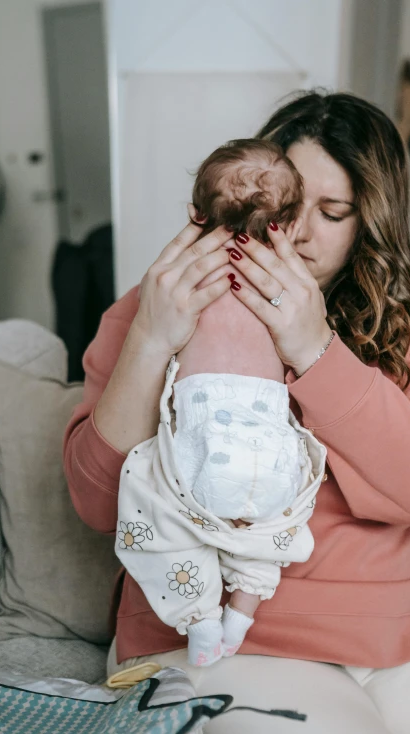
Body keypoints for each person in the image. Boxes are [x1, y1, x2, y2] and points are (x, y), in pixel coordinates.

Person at [64, 91, 410, 734]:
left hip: (397, 643)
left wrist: (316, 349)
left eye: (333, 214)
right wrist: (151, 337)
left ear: (369, 225)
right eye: (289, 204)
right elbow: (96, 502)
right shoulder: (162, 301)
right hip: (213, 645)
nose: (298, 235)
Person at [116, 138, 327, 668]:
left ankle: (201, 618)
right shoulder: (295, 292)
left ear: (195, 215)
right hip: (270, 443)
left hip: (200, 437)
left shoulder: (181, 283)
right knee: (272, 531)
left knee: (152, 496)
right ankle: (242, 612)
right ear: (292, 223)